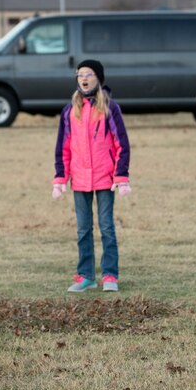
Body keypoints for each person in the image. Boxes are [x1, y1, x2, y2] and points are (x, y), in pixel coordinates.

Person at [52, 60, 131, 293]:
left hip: (105, 178)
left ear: (99, 78)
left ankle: (110, 275)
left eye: (89, 74)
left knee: (106, 227)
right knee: (83, 229)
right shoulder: (70, 110)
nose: (84, 78)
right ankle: (86, 276)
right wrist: (60, 178)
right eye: (80, 74)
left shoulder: (110, 108)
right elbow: (63, 148)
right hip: (80, 178)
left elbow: (122, 144)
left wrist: (121, 176)